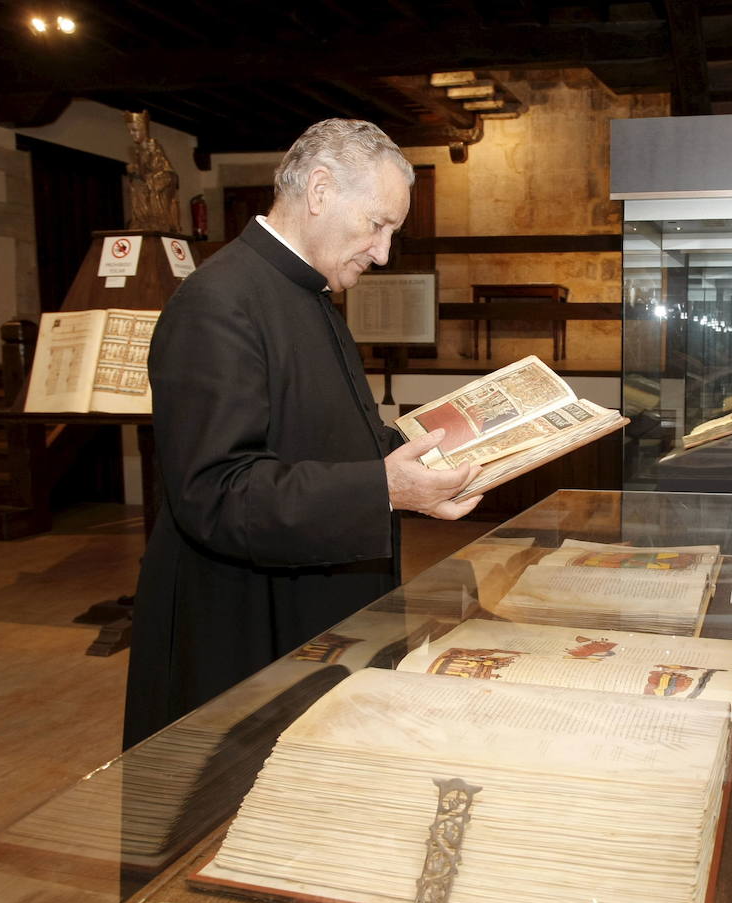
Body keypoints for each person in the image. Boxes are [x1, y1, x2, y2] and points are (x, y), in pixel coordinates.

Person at [123, 119, 481, 748]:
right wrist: (383, 491)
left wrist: (428, 452)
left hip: (309, 613)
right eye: (378, 224)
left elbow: (323, 437)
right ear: (319, 190)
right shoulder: (219, 301)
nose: (384, 252)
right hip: (244, 628)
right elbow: (217, 492)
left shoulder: (308, 292)